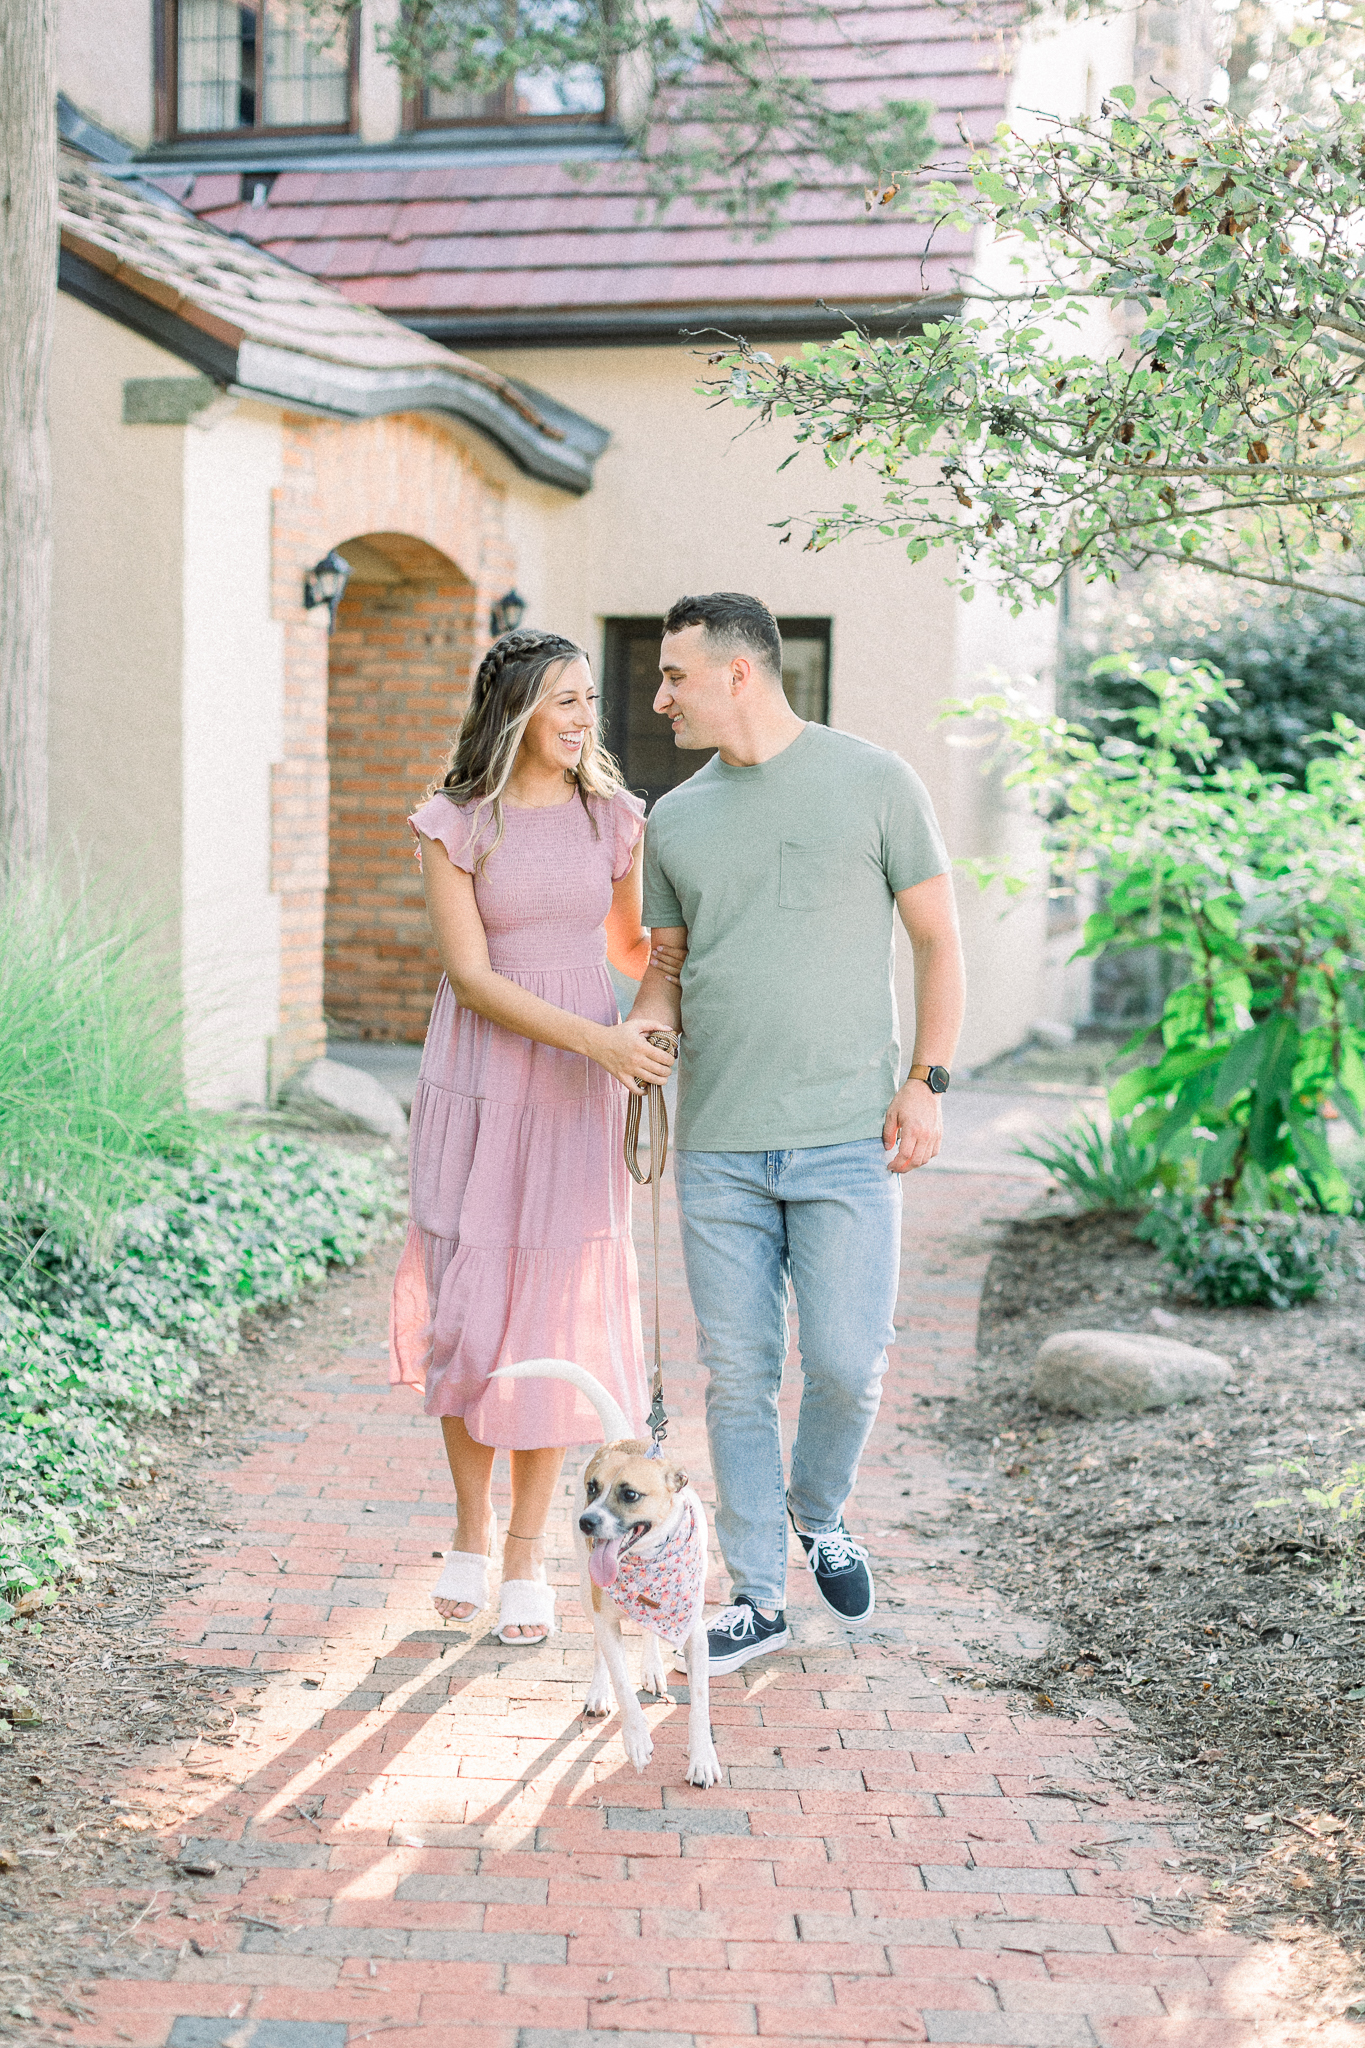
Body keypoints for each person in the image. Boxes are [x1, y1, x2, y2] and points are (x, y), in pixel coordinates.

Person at [628, 592, 966, 1674]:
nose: (659, 695)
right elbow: (670, 967)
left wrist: (928, 1080)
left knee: (847, 1363)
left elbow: (940, 943)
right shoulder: (673, 818)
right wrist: (641, 1027)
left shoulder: (874, 781)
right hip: (721, 1142)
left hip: (845, 1139)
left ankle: (819, 1511)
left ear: (740, 672)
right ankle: (758, 1596)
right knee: (737, 1377)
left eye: (675, 674)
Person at [390, 630, 681, 1644]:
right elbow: (471, 977)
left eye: (588, 699)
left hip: (576, 1094)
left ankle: (525, 1554)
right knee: (472, 1313)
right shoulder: (455, 824)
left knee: (552, 1318)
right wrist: (598, 1039)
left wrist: (648, 1020)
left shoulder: (615, 817)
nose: (581, 717)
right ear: (514, 707)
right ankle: (469, 1531)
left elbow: (635, 947)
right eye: (563, 698)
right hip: (480, 1079)